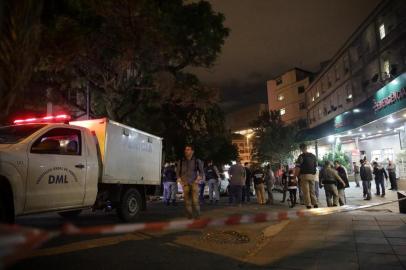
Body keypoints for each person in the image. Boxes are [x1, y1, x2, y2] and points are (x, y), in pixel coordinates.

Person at [177, 144, 204, 219]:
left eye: (188, 149)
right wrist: (180, 182)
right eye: (185, 150)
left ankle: (198, 215)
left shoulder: (197, 161)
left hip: (194, 183)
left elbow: (201, 172)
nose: (186, 151)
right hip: (185, 184)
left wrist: (197, 180)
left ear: (192, 151)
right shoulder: (181, 161)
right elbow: (177, 173)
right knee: (187, 201)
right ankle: (189, 215)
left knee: (195, 201)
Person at [295, 143, 318, 209]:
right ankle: (315, 203)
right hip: (312, 175)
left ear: (301, 149)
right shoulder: (313, 156)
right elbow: (316, 165)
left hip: (304, 175)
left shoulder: (301, 156)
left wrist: (295, 176)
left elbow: (298, 167)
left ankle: (308, 204)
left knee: (306, 191)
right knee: (312, 190)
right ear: (306, 148)